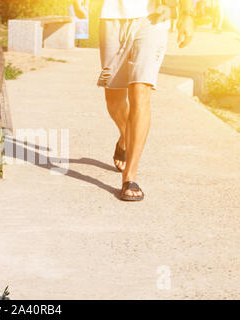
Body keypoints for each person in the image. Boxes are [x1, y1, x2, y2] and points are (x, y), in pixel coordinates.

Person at [97, 0, 195, 201]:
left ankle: (129, 177)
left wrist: (187, 13)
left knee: (140, 90)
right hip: (112, 14)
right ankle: (126, 135)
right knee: (113, 99)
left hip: (154, 17)